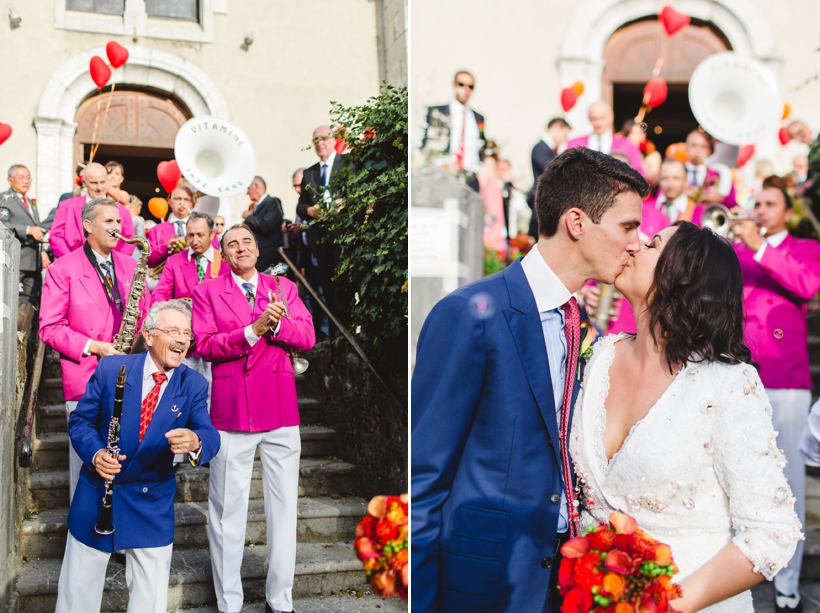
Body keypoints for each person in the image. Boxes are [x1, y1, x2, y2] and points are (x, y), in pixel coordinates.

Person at [411, 147, 647, 612]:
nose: (636, 243)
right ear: (577, 223)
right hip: (480, 580)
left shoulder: (579, 320)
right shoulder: (470, 313)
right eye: (628, 227)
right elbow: (424, 474)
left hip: (557, 578)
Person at [571, 221, 802, 612]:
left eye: (652, 244)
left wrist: (666, 605)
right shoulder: (597, 358)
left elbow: (770, 535)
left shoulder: (727, 384)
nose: (633, 246)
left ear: (683, 275)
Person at [54, 300, 220, 613]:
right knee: (78, 593)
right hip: (98, 493)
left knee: (151, 599)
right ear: (148, 335)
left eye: (187, 333)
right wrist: (95, 454)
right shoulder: (110, 368)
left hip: (151, 501)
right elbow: (80, 421)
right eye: (173, 331)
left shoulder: (194, 383)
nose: (183, 339)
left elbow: (209, 434)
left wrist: (196, 439)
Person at [192, 224, 315, 613]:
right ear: (223, 253)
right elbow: (205, 345)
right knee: (228, 512)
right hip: (232, 412)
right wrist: (250, 331)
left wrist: (276, 324)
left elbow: (308, 337)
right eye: (232, 244)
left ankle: (281, 601)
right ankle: (229, 603)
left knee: (283, 509)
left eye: (247, 242)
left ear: (257, 250)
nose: (241, 248)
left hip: (280, 410)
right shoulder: (206, 292)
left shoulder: (284, 289)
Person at [729, 182, 820, 613]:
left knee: (790, 486)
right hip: (737, 374)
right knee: (733, 476)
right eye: (756, 204)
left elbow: (806, 284)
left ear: (786, 211)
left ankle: (787, 581)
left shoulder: (804, 248)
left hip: (786, 377)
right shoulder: (739, 249)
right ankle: (733, 574)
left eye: (769, 205)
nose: (760, 210)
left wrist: (761, 248)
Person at [40, 198, 152, 500]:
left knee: (127, 464)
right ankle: (86, 539)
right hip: (87, 378)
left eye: (119, 221)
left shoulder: (131, 265)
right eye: (109, 222)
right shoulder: (62, 269)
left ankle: (119, 536)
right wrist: (95, 346)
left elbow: (147, 315)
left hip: (130, 377)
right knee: (86, 469)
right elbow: (49, 328)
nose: (117, 228)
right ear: (88, 226)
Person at [153, 212, 229, 387]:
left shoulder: (225, 261)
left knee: (215, 390)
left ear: (212, 235)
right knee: (183, 388)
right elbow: (159, 294)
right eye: (190, 235)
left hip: (216, 337)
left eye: (200, 235)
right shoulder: (173, 261)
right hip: (185, 341)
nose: (194, 240)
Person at [296, 125, 351, 329]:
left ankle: (347, 333)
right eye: (315, 140)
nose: (319, 143)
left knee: (344, 288)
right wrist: (311, 211)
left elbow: (357, 195)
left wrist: (342, 203)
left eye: (323, 138)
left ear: (333, 140)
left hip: (344, 236)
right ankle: (335, 336)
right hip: (321, 238)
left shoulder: (347, 165)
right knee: (327, 288)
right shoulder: (309, 173)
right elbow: (300, 207)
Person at [50, 162, 136, 258]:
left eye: (102, 182)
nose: (99, 187)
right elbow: (55, 237)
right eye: (94, 183)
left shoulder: (123, 211)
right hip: (73, 267)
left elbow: (129, 240)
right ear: (84, 183)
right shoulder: (66, 206)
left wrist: (114, 264)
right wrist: (71, 261)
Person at [420, 70, 486, 187]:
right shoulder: (437, 113)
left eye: (470, 86)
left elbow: (482, 146)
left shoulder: (478, 118)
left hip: (471, 178)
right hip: (444, 175)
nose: (465, 89)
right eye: (461, 84)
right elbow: (426, 145)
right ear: (454, 85)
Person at [1, 164, 45, 303]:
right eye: (21, 177)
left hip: (33, 261)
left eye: (28, 177)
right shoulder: (4, 199)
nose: (26, 181)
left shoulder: (30, 202)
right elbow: (3, 225)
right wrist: (27, 229)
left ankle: (27, 326)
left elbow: (37, 228)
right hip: (16, 259)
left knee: (31, 302)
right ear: (10, 180)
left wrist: (42, 252)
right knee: (11, 300)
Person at [566, 101, 645, 174]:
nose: (599, 123)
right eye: (595, 119)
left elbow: (639, 174)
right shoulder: (575, 145)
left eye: (602, 118)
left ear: (611, 117)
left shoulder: (627, 145)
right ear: (589, 119)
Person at [527, 118, 571, 239]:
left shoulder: (549, 150)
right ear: (556, 128)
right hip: (541, 203)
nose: (564, 139)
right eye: (564, 134)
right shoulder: (540, 148)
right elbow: (554, 171)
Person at [242, 175, 285, 272]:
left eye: (248, 188)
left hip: (269, 258)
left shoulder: (273, 202)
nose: (247, 192)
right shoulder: (255, 207)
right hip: (258, 257)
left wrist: (249, 217)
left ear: (256, 186)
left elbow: (267, 226)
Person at [683, 129, 737, 207]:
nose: (698, 150)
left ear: (710, 151)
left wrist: (721, 199)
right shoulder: (678, 171)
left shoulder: (720, 174)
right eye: (694, 145)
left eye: (703, 147)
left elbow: (733, 204)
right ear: (686, 147)